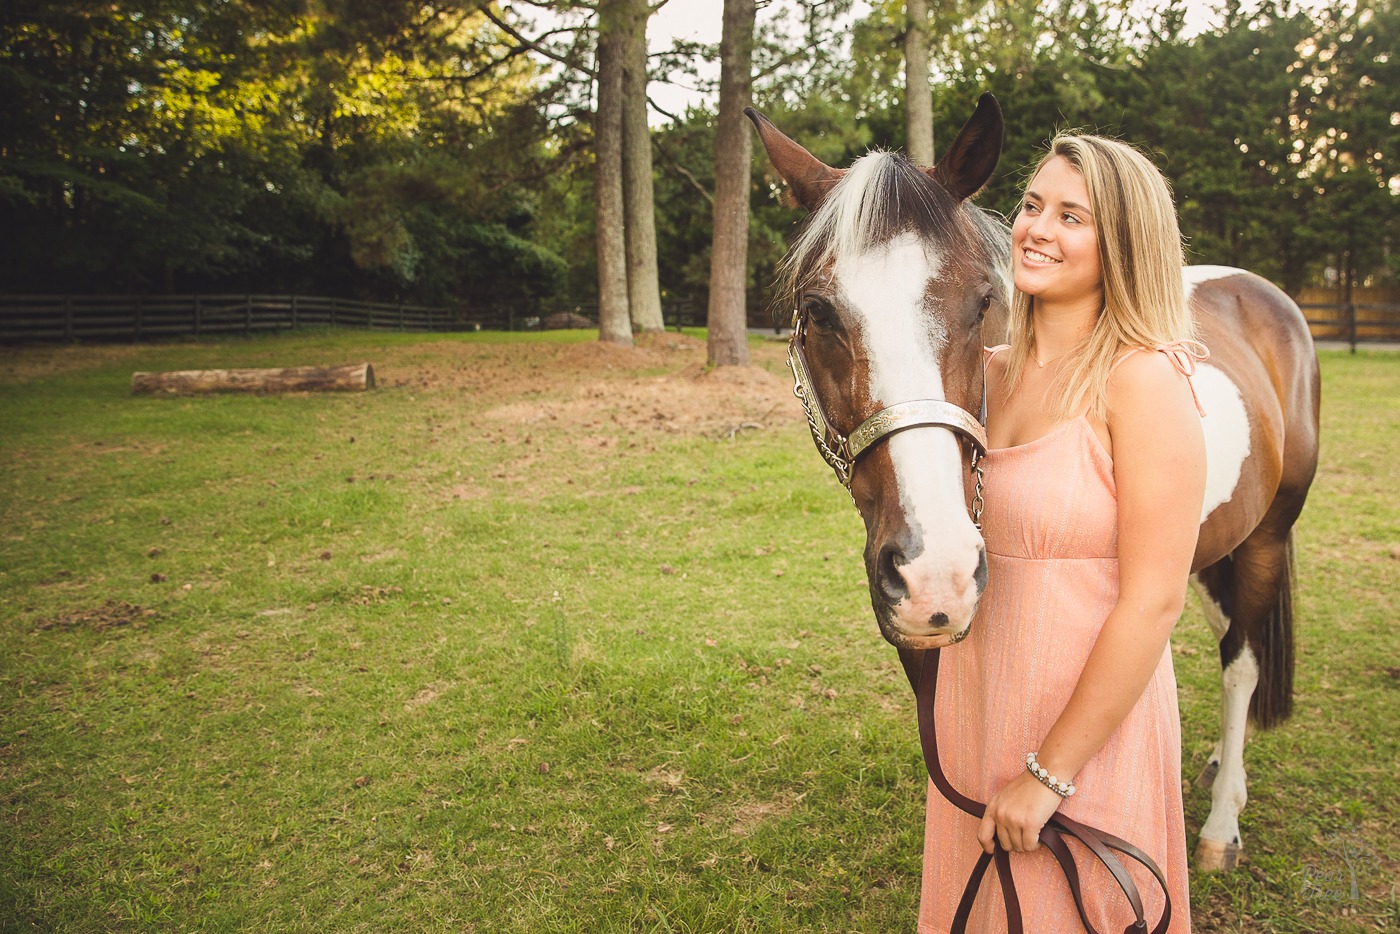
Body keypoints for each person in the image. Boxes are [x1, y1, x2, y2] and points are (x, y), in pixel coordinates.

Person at [918, 133, 1206, 932]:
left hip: (1087, 731)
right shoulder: (981, 372)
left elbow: (1154, 602)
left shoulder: (1144, 380)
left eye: (1071, 216)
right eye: (1032, 206)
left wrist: (1051, 774)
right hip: (978, 703)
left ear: (1122, 243)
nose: (1037, 228)